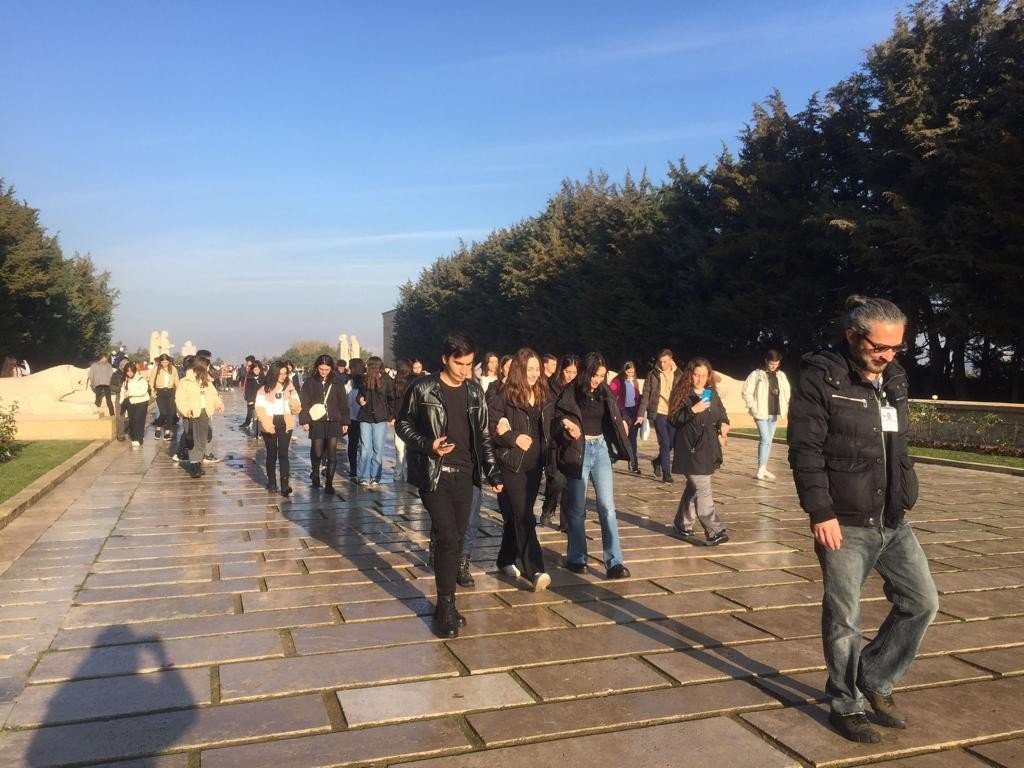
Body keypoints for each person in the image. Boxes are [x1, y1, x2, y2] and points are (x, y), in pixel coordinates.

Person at [788, 295, 938, 744]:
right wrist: (821, 512)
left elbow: (898, 443)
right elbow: (804, 451)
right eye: (880, 347)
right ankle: (845, 701)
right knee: (844, 617)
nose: (888, 356)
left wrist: (906, 489)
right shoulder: (822, 376)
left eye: (897, 348)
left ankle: (873, 677)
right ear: (852, 336)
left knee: (922, 601)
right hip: (845, 520)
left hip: (892, 516)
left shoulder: (894, 377)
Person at [396, 332, 502, 638]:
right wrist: (428, 445)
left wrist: (493, 474)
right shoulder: (423, 387)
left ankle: (450, 603)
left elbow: (483, 436)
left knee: (458, 537)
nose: (465, 370)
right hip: (436, 472)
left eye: (469, 364)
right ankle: (444, 606)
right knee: (447, 535)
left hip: (467, 475)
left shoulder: (474, 392)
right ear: (445, 359)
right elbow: (403, 424)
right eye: (459, 363)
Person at [553, 352, 633, 578]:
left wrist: (624, 422)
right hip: (579, 451)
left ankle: (614, 561)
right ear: (586, 372)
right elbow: (557, 417)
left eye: (602, 376)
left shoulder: (604, 391)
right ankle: (577, 558)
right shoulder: (571, 392)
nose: (598, 380)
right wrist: (566, 423)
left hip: (601, 450)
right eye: (595, 375)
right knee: (577, 509)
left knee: (607, 507)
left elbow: (618, 412)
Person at [490, 348, 553, 591]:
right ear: (519, 370)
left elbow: (552, 423)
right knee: (524, 515)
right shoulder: (504, 395)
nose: (535, 374)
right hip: (512, 464)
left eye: (537, 369)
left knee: (518, 515)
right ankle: (535, 569)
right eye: (530, 369)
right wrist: (513, 436)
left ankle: (505, 558)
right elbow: (492, 426)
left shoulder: (543, 392)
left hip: (535, 464)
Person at [669, 357, 730, 544]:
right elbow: (674, 418)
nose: (700, 379)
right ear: (690, 374)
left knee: (694, 488)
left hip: (708, 449)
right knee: (703, 488)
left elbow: (721, 412)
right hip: (690, 449)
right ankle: (714, 530)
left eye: (703, 375)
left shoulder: (711, 394)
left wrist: (724, 423)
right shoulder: (682, 394)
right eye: (696, 375)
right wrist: (692, 410)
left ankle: (682, 523)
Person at [299, 354, 350, 495]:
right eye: (321, 369)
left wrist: (345, 421)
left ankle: (329, 483)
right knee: (317, 451)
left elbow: (343, 403)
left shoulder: (337, 382)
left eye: (327, 369)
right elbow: (304, 403)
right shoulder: (310, 382)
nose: (324, 372)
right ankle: (315, 474)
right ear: (317, 368)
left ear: (331, 368)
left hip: (334, 421)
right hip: (317, 421)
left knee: (332, 452)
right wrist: (305, 420)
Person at [540, 353, 579, 529]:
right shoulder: (550, 386)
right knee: (556, 479)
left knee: (569, 481)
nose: (570, 376)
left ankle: (565, 521)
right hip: (553, 438)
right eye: (567, 371)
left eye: (574, 372)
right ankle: (548, 508)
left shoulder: (578, 389)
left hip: (572, 440)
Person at [742, 349, 791, 480]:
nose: (774, 366)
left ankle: (763, 467)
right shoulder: (757, 374)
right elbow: (746, 391)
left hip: (774, 412)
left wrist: (785, 406)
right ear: (766, 361)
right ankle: (761, 469)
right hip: (760, 411)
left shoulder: (781, 375)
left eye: (776, 363)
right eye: (771, 363)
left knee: (768, 441)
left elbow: (787, 392)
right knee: (765, 439)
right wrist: (752, 406)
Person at [255, 360, 301, 495]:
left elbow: (297, 405)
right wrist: (267, 424)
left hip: (285, 422)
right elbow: (260, 408)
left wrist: (295, 404)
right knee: (271, 454)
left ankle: (285, 485)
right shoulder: (264, 389)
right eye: (280, 374)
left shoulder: (290, 386)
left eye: (285, 374)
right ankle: (272, 482)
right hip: (269, 422)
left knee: (283, 453)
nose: (283, 376)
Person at [174, 358, 224, 478]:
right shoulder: (185, 382)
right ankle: (193, 465)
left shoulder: (207, 381)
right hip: (190, 414)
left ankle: (198, 462)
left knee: (201, 440)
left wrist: (218, 404)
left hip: (204, 413)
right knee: (193, 440)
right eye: (207, 366)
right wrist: (185, 410)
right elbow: (179, 399)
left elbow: (214, 395)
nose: (208, 369)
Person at [639, 349, 683, 483]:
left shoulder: (679, 374)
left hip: (673, 413)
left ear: (671, 360)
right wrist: (641, 414)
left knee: (670, 445)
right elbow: (646, 394)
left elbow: (683, 393)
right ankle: (666, 474)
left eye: (665, 361)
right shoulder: (653, 374)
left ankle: (657, 461)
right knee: (664, 443)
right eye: (660, 361)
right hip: (658, 412)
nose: (662, 364)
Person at [356, 356, 396, 488]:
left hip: (380, 418)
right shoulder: (364, 380)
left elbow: (392, 399)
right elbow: (359, 394)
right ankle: (363, 476)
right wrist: (360, 399)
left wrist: (390, 416)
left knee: (378, 447)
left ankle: (375, 476)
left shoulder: (386, 381)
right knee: (365, 447)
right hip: (365, 417)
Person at [609, 361, 642, 474]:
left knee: (633, 439)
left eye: (632, 371)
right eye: (628, 371)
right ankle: (613, 457)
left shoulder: (635, 382)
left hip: (633, 411)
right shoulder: (617, 381)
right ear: (624, 370)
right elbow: (610, 394)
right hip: (622, 411)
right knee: (620, 437)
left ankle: (633, 464)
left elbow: (637, 398)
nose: (630, 373)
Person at [148, 354, 179, 440]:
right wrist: (152, 389)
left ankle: (167, 432)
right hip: (160, 392)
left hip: (171, 391)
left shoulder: (173, 369)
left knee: (170, 413)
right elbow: (151, 379)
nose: (165, 363)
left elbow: (176, 381)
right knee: (163, 413)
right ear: (160, 361)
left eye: (166, 362)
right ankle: (158, 427)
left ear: (169, 361)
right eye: (163, 362)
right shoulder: (157, 368)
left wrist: (179, 391)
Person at [392, 359, 413, 482]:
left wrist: (393, 416)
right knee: (408, 447)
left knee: (399, 448)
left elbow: (393, 402)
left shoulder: (396, 383)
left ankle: (398, 473)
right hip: (410, 418)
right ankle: (407, 473)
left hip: (400, 418)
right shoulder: (413, 381)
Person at [122, 362, 151, 447]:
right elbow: (123, 391)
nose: (129, 373)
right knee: (132, 421)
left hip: (141, 402)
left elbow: (143, 391)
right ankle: (134, 437)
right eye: (127, 371)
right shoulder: (125, 379)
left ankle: (139, 439)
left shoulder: (141, 379)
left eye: (131, 371)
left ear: (134, 371)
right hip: (131, 402)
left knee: (139, 420)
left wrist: (130, 393)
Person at [345, 358, 365, 479]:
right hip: (365, 418)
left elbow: (345, 401)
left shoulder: (349, 384)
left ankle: (353, 469)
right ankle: (363, 469)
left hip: (352, 418)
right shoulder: (367, 382)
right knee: (365, 445)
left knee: (352, 444)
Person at [242, 360, 264, 437]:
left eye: (258, 369)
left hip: (263, 402)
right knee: (255, 418)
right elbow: (247, 390)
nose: (256, 371)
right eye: (254, 369)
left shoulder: (264, 379)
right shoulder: (249, 379)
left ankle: (261, 433)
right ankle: (256, 433)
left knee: (262, 418)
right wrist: (249, 400)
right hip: (254, 401)